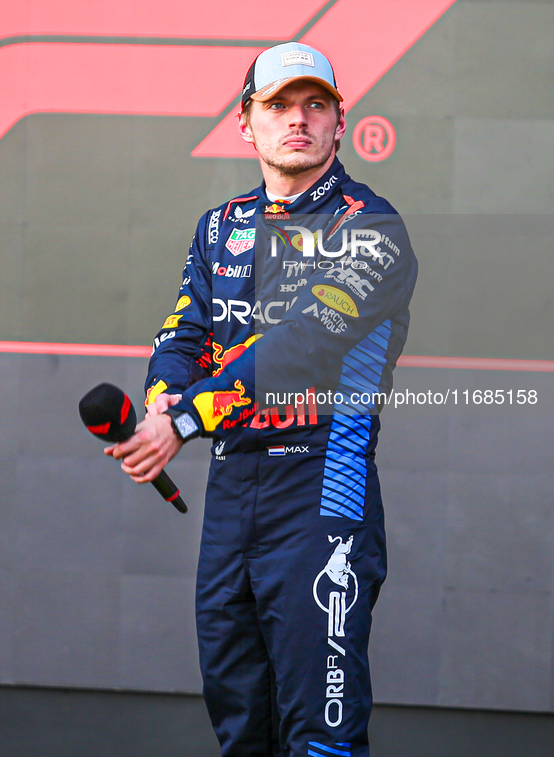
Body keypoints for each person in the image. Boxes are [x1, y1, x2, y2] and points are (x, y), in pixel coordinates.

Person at [107, 42, 418, 757]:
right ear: (245, 123)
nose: (297, 120)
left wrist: (181, 421)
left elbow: (298, 347)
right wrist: (161, 403)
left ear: (341, 123)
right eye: (276, 105)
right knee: (241, 726)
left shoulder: (371, 228)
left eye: (315, 105)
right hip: (232, 497)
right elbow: (183, 334)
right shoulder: (219, 227)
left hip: (322, 492)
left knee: (320, 736)